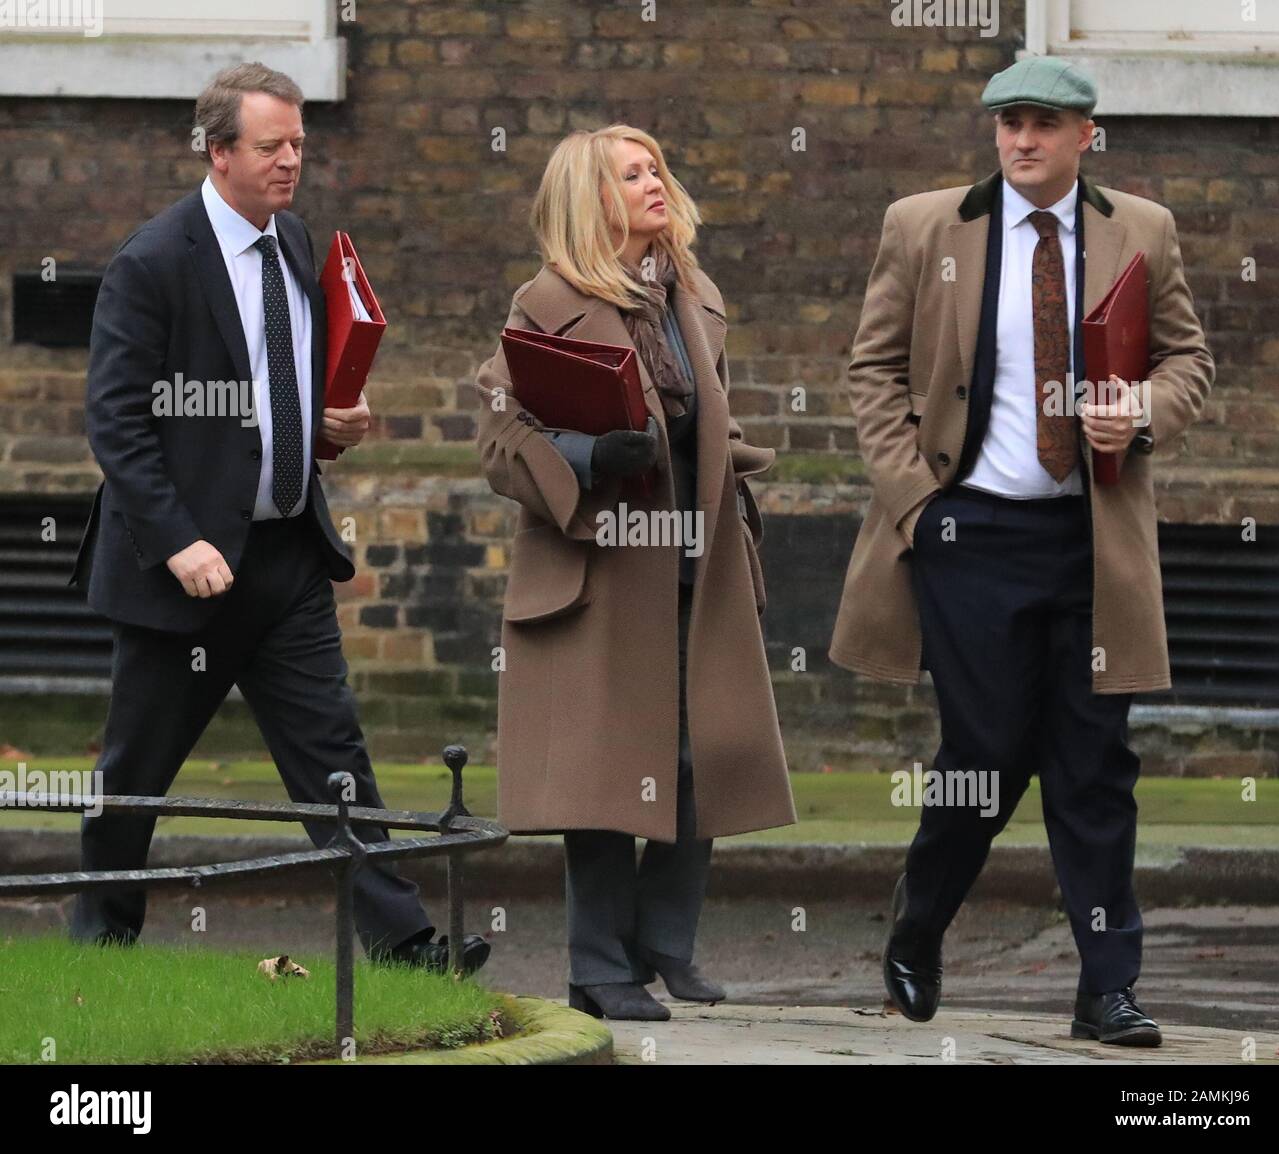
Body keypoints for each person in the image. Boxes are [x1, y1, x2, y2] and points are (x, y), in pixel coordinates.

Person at [69, 62, 488, 974]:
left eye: (299, 142)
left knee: (335, 758)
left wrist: (328, 424)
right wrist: (179, 541)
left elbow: (273, 387)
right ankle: (96, 948)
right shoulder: (153, 261)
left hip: (287, 558)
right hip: (184, 573)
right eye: (271, 146)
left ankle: (405, 946)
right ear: (219, 153)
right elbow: (117, 422)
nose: (292, 160)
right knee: (135, 777)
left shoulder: (294, 242)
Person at [828, 57, 1214, 1045]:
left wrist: (1140, 413)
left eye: (1042, 122)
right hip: (968, 533)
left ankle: (1106, 987)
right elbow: (870, 371)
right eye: (1006, 121)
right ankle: (919, 921)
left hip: (1092, 537)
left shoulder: (1141, 229)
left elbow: (1186, 359)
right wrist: (915, 503)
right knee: (987, 754)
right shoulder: (925, 226)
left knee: (1093, 762)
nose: (1019, 139)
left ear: (1088, 134)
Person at [475, 125, 797, 1020]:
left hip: (700, 564)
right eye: (631, 174)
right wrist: (582, 452)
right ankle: (595, 966)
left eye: (658, 165)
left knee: (705, 756)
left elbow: (706, 425)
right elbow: (501, 439)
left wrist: (735, 455)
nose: (655, 181)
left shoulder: (693, 294)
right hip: (602, 571)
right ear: (593, 200)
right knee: (606, 774)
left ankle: (664, 940)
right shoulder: (544, 302)